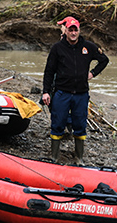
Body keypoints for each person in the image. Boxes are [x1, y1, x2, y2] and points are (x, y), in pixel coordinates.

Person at [42, 17, 109, 166]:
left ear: (79, 31)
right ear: (65, 31)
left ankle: (79, 159)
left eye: (75, 30)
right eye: (70, 30)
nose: (73, 33)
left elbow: (104, 60)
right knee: (57, 124)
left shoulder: (88, 47)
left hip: (81, 94)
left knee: (80, 125)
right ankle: (55, 158)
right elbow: (49, 71)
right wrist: (46, 91)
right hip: (62, 93)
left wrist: (92, 73)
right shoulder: (57, 48)